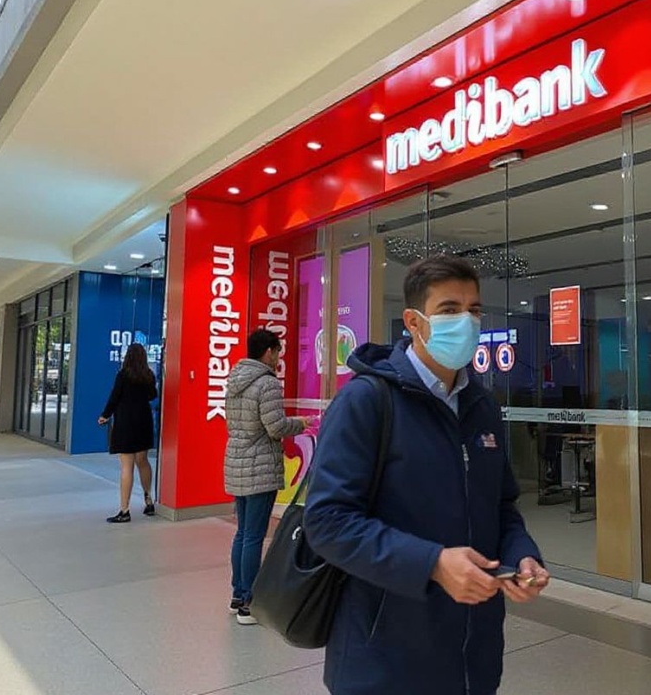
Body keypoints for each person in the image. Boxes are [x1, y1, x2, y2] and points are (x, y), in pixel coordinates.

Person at [304, 255, 550, 695]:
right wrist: (432, 564)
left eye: (474, 310)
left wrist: (522, 555)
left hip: (473, 653)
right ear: (414, 323)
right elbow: (327, 522)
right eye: (450, 310)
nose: (467, 322)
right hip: (384, 655)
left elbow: (502, 504)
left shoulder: (482, 406)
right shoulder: (367, 402)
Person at [225, 328, 310, 625]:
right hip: (260, 466)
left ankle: (238, 595)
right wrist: (299, 424)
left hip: (236, 463)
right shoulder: (267, 383)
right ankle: (249, 602)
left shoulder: (235, 379)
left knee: (242, 534)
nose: (279, 359)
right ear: (268, 351)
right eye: (278, 352)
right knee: (253, 537)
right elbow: (275, 427)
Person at [98, 343, 157, 523]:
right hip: (144, 422)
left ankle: (124, 510)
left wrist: (105, 415)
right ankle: (149, 500)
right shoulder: (148, 375)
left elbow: (114, 397)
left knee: (126, 466)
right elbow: (153, 395)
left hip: (125, 423)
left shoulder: (123, 375)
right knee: (143, 461)